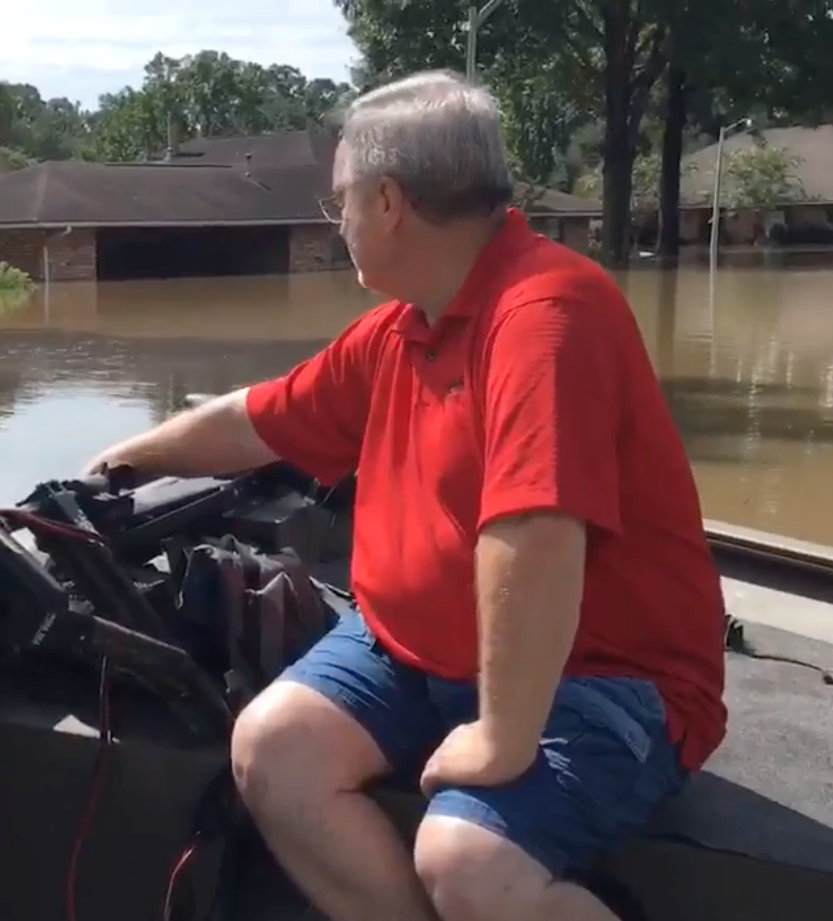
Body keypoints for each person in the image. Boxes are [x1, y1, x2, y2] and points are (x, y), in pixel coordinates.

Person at [82, 70, 726, 921]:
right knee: (273, 750)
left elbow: (534, 533)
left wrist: (501, 736)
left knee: (469, 862)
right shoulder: (404, 326)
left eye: (340, 200)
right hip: (408, 652)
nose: (337, 220)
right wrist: (118, 462)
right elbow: (255, 420)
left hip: (599, 672)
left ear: (387, 202)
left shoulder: (546, 315)